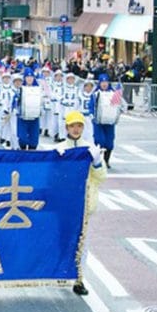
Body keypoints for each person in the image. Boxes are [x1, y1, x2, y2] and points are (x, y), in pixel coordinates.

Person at [56, 110, 107, 296]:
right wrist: (57, 161)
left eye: (79, 126)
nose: (76, 129)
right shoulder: (60, 148)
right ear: (66, 128)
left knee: (82, 244)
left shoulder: (90, 149)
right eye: (72, 126)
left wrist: (97, 162)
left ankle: (79, 279)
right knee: (63, 239)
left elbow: (101, 178)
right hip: (65, 205)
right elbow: (52, 179)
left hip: (85, 205)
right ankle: (60, 273)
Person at [89, 73, 120, 168]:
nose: (104, 84)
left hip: (110, 122)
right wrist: (91, 115)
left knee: (109, 142)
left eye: (106, 82)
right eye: (102, 82)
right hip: (98, 121)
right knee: (99, 140)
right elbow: (91, 105)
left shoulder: (114, 93)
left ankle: (106, 160)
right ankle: (97, 160)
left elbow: (118, 105)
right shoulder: (95, 94)